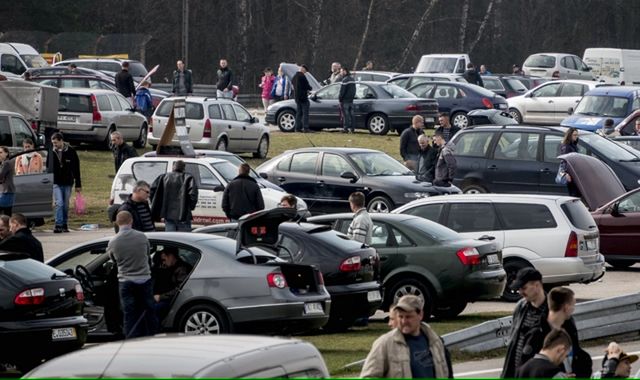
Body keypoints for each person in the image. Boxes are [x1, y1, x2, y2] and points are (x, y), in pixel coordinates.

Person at [360, 295, 453, 378]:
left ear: (420, 314)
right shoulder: (385, 344)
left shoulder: (435, 341)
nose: (404, 321)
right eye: (400, 317)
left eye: (408, 317)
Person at [108, 211, 157, 338]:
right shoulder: (142, 237)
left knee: (129, 314)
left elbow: (113, 260)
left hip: (126, 281)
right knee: (148, 311)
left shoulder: (113, 242)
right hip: (144, 279)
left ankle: (131, 340)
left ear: (117, 223)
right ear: (131, 221)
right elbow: (147, 255)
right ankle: (151, 336)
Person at [524, 287, 592, 378]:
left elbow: (576, 352)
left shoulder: (570, 327)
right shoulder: (536, 333)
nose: (573, 309)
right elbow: (529, 366)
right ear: (566, 307)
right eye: (573, 305)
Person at [501, 267, 548, 378]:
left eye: (524, 288)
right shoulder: (520, 307)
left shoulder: (554, 311)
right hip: (518, 372)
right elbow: (514, 342)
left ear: (536, 285)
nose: (521, 292)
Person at [150, 160, 198, 232]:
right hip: (183, 213)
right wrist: (189, 207)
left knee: (170, 237)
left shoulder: (163, 177)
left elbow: (152, 191)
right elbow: (193, 195)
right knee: (184, 239)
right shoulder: (188, 178)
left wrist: (158, 205)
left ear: (173, 167)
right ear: (184, 168)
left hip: (168, 213)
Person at [50, 133, 82, 233]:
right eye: (53, 143)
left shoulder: (71, 151)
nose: (54, 145)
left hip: (68, 181)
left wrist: (78, 183)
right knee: (59, 203)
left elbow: (76, 168)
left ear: (61, 141)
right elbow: (48, 167)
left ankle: (64, 223)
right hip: (56, 182)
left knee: (65, 204)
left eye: (56, 143)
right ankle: (58, 224)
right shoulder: (51, 152)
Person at [153, 246, 192, 319]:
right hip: (172, 299)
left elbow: (180, 289)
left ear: (171, 256)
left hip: (176, 301)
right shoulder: (173, 267)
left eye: (164, 260)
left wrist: (160, 297)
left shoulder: (181, 269)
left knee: (155, 308)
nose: (163, 263)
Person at [559, 127, 581, 198]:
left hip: (574, 171)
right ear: (569, 135)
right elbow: (564, 161)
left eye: (577, 135)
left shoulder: (573, 144)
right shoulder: (566, 146)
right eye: (574, 135)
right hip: (570, 172)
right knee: (573, 193)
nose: (576, 137)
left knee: (575, 193)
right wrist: (566, 173)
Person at [293, 64, 312, 133]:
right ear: (303, 69)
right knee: (305, 113)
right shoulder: (302, 76)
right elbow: (307, 86)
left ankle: (297, 128)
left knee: (298, 113)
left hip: (297, 98)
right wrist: (310, 88)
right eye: (305, 71)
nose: (305, 72)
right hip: (303, 97)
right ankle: (305, 128)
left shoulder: (294, 77)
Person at [339, 67, 356, 133]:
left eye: (341, 71)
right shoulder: (352, 79)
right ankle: (353, 129)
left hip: (345, 100)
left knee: (346, 115)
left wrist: (340, 98)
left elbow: (342, 91)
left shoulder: (345, 80)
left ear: (345, 71)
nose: (340, 73)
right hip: (351, 100)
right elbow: (354, 90)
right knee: (352, 115)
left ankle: (345, 128)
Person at [0, 146, 15, 216]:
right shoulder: (4, 163)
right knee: (7, 213)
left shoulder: (6, 163)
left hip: (6, 191)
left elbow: (1, 176)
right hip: (7, 191)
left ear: (6, 153)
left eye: (0, 152)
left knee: (7, 213)